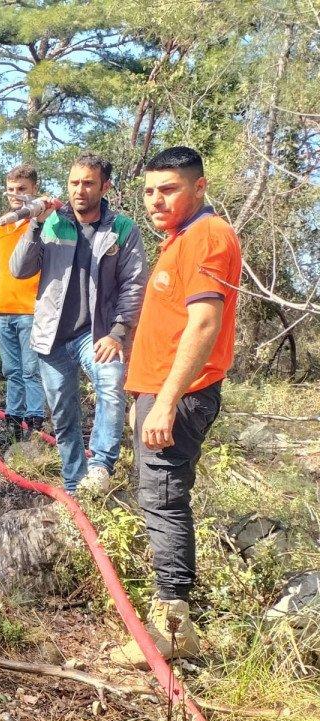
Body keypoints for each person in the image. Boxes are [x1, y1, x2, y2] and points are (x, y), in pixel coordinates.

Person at [110, 147, 242, 667]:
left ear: (199, 188)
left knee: (163, 500)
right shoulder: (179, 241)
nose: (155, 200)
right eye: (148, 190)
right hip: (159, 395)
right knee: (159, 497)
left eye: (168, 189)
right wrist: (142, 399)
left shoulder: (209, 237)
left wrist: (163, 402)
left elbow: (204, 325)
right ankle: (171, 621)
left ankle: (170, 629)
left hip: (178, 397)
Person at [10, 152, 147, 494]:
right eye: (74, 182)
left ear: (105, 186)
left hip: (96, 333)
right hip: (51, 337)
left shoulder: (122, 229)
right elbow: (19, 269)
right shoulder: (52, 221)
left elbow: (135, 284)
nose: (80, 190)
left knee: (111, 382)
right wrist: (35, 224)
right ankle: (75, 485)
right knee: (63, 415)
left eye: (88, 183)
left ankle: (100, 466)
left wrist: (118, 333)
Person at [0, 164, 46, 446]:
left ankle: (34, 425)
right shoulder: (3, 224)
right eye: (11, 191)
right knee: (11, 371)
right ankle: (13, 424)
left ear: (34, 190)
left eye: (22, 190)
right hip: (3, 312)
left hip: (30, 310)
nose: (16, 195)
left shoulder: (40, 221)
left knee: (31, 370)